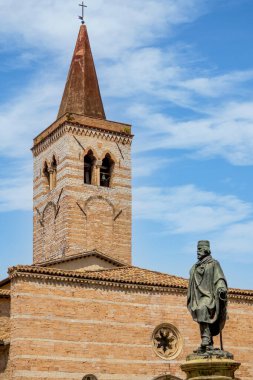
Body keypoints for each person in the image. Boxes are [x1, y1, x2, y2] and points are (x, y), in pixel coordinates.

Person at [187, 240, 228, 351]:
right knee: (199, 308)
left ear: (206, 249)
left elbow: (219, 278)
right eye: (197, 249)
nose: (197, 252)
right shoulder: (195, 266)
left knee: (203, 307)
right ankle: (207, 341)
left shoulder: (214, 263)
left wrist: (221, 289)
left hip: (210, 296)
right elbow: (191, 273)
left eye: (199, 249)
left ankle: (206, 339)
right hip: (199, 295)